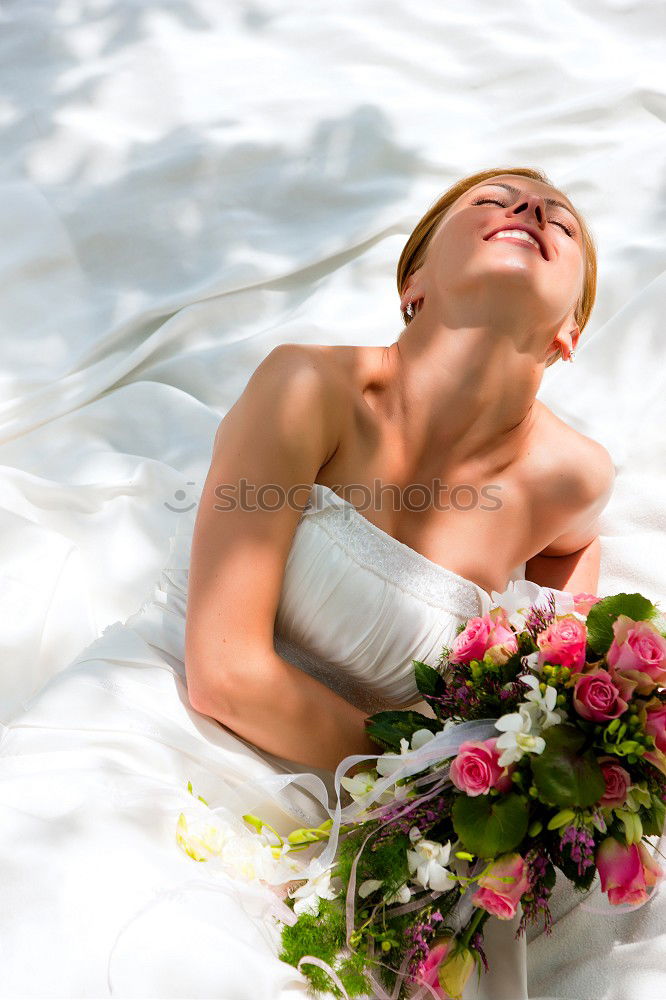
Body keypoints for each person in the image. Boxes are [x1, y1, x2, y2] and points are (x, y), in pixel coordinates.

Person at [0, 167, 619, 1000]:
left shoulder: (571, 482)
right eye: (492, 200)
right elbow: (226, 673)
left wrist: (550, 703)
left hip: (335, 836)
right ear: (415, 283)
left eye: (561, 222)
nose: (531, 209)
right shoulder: (312, 388)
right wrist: (445, 786)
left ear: (568, 335)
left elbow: (567, 633)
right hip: (160, 731)